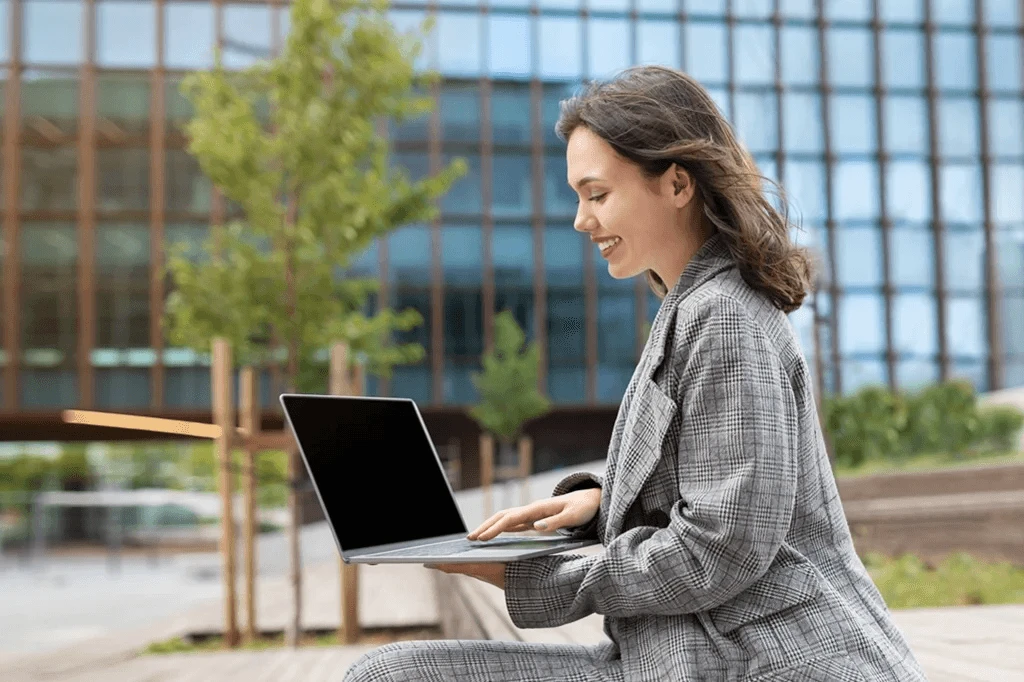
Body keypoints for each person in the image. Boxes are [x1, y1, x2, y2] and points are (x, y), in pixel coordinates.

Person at [343, 66, 927, 682]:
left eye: (597, 194)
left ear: (677, 183)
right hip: (685, 654)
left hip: (764, 662)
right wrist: (600, 506)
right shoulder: (694, 307)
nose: (580, 220)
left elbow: (724, 548)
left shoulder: (723, 319)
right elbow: (715, 483)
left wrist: (536, 575)